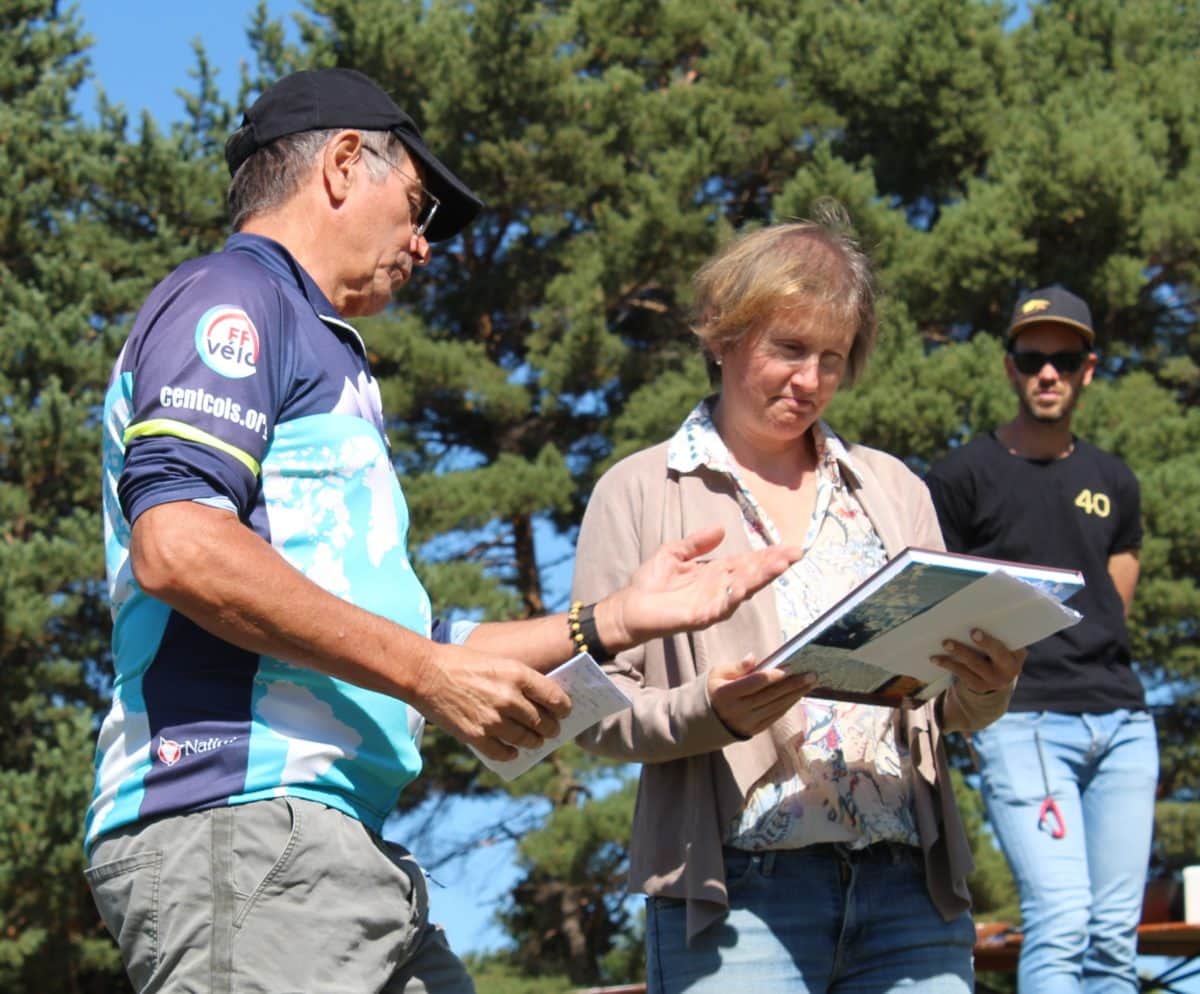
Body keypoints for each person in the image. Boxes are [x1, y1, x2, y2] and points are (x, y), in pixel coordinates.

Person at [84, 67, 801, 994]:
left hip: (337, 850)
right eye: (417, 208)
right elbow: (178, 542)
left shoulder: (322, 349)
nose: (424, 247)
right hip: (246, 828)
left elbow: (419, 642)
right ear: (344, 163)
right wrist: (426, 674)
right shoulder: (234, 296)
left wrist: (616, 619)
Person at [571, 207, 1027, 994]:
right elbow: (591, 713)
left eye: (833, 358)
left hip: (910, 892)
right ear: (721, 334)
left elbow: (941, 709)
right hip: (736, 897)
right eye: (788, 348)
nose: (810, 380)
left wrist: (987, 684)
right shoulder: (640, 491)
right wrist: (709, 713)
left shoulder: (892, 489)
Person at [926, 286, 1156, 994]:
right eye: (1032, 358)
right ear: (1010, 367)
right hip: (1022, 721)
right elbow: (936, 608)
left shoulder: (1113, 479)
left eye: (1064, 359)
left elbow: (1113, 598)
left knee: (1116, 938)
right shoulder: (964, 475)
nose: (1047, 373)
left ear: (1089, 368)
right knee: (1062, 918)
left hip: (1121, 720)